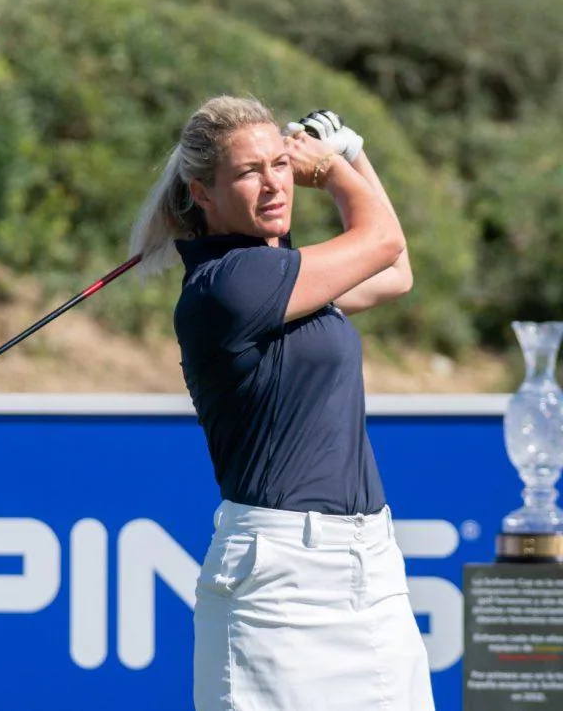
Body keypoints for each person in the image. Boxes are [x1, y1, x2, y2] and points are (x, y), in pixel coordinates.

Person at [130, 97, 431, 710]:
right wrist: (331, 168)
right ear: (202, 193)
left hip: (370, 569)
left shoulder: (289, 274)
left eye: (280, 165)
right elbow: (380, 239)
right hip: (278, 588)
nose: (273, 184)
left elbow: (395, 270)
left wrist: (351, 153)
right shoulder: (229, 286)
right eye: (248, 172)